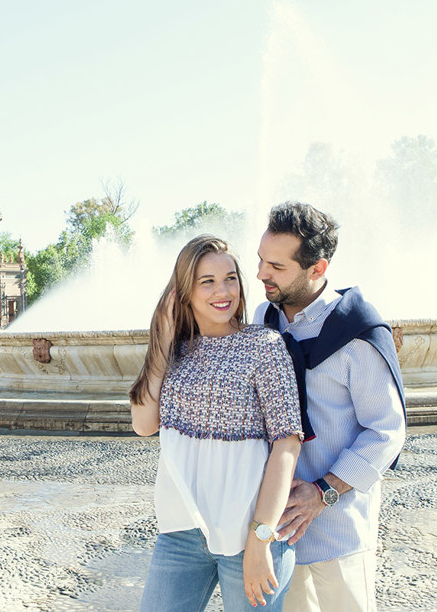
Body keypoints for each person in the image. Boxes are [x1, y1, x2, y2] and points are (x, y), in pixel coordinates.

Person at [130, 235, 304, 611]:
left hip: (249, 533)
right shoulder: (174, 351)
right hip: (181, 533)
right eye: (207, 282)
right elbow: (143, 424)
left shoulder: (264, 345)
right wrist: (161, 341)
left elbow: (287, 444)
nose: (222, 292)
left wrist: (261, 537)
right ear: (183, 291)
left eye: (230, 279)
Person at [253, 202, 406, 612]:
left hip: (340, 527)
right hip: (277, 527)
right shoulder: (262, 320)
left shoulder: (357, 332)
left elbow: (387, 431)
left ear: (317, 269)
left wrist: (323, 492)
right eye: (261, 260)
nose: (261, 274)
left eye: (277, 266)